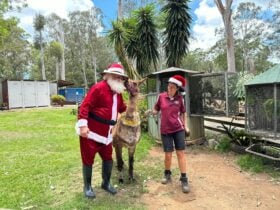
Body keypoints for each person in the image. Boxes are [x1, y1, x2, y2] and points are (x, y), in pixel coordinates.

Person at [75, 63, 128, 198]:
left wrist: (132, 102)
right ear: (108, 75)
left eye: (120, 77)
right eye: (116, 76)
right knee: (88, 159)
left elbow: (121, 108)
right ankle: (87, 186)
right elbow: (84, 107)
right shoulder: (98, 88)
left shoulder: (118, 93)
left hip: (107, 134)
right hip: (91, 132)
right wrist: (83, 126)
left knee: (108, 158)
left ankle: (106, 183)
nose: (118, 79)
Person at [145, 75, 190, 193]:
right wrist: (151, 112)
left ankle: (184, 178)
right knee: (168, 155)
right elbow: (156, 109)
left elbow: (183, 113)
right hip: (165, 130)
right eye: (169, 86)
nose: (169, 89)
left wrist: (185, 126)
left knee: (180, 153)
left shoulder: (180, 99)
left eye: (172, 87)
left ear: (177, 89)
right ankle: (167, 174)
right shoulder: (161, 97)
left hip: (178, 129)